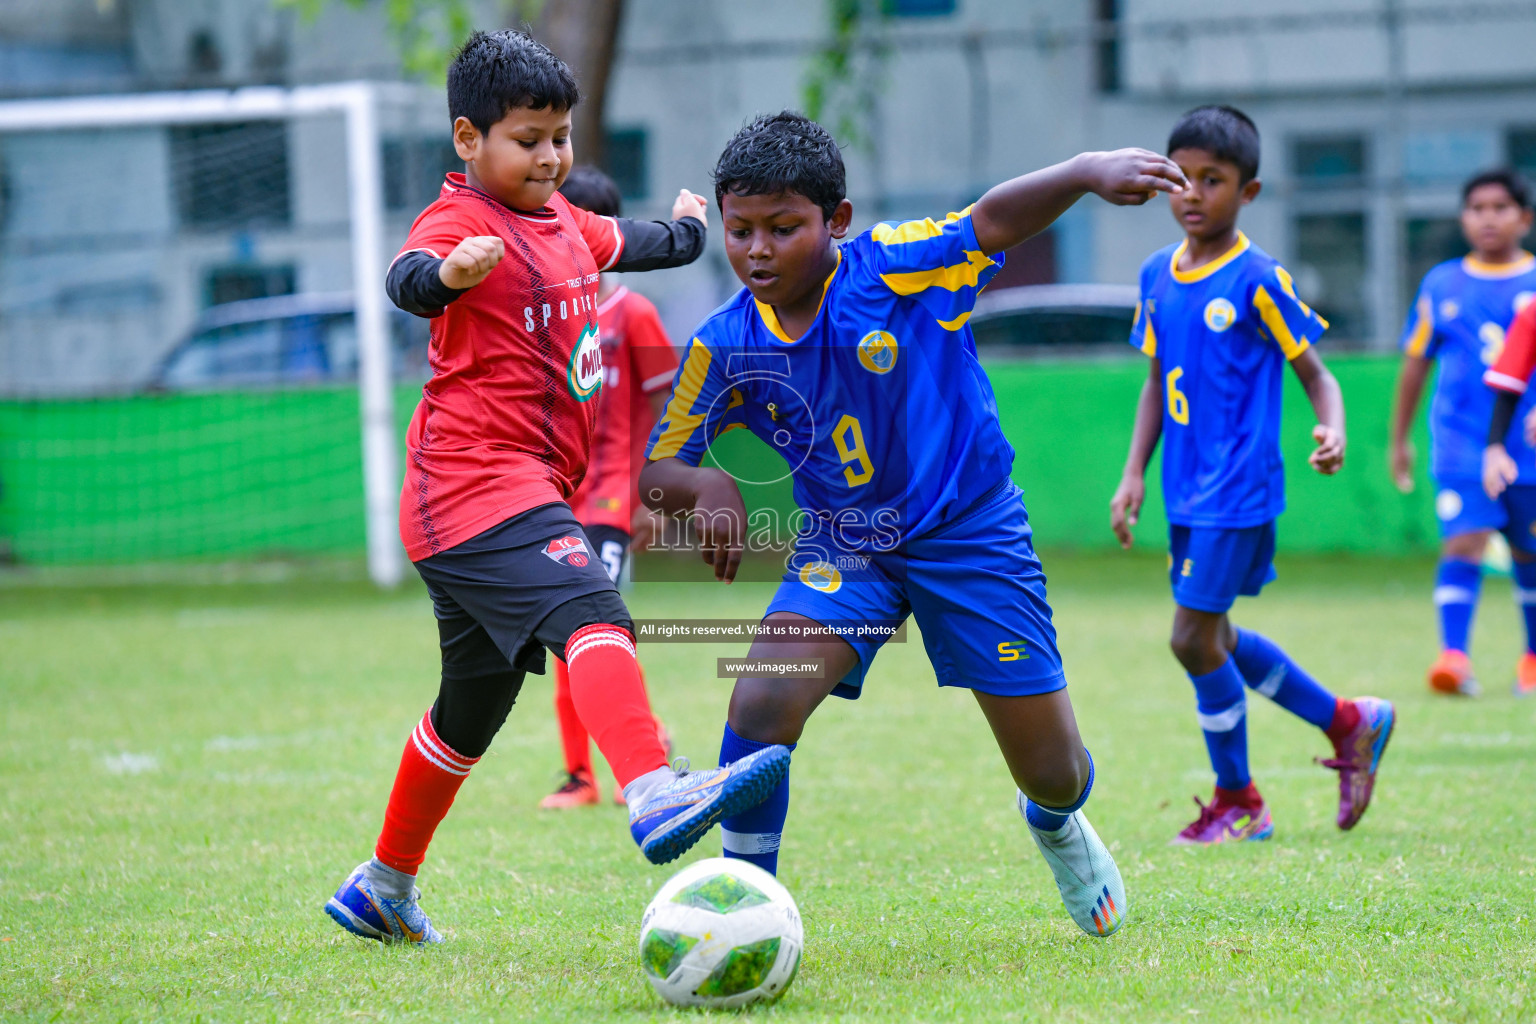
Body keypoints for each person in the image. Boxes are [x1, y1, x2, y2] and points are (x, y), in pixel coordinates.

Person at [641, 110, 1191, 938]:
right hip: (847, 548)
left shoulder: (891, 270)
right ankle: (740, 910)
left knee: (1054, 772)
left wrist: (1084, 170)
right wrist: (704, 487)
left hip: (970, 533)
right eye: (741, 229)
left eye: (784, 228)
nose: (758, 250)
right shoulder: (724, 346)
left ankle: (1055, 823)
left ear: (839, 223)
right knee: (759, 704)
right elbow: (658, 470)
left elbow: (992, 220)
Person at [323, 31, 790, 947]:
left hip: (499, 496)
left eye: (560, 137)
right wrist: (443, 278)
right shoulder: (460, 223)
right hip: (474, 487)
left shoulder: (565, 221)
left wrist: (693, 228)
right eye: (526, 138)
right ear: (468, 139)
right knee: (595, 612)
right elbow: (407, 274)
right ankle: (653, 789)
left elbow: (638, 241)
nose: (548, 156)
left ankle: (382, 886)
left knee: (470, 711)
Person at [1110, 105, 1394, 845]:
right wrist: (1133, 474)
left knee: (1190, 638)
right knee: (1215, 635)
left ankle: (1240, 799)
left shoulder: (1259, 277)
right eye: (1183, 178)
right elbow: (1153, 384)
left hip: (1238, 488)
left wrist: (1330, 426)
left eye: (1214, 179)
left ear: (1250, 192)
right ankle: (1349, 722)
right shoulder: (1154, 276)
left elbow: (1317, 375)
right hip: (1185, 490)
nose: (1193, 194)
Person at [541, 166, 680, 808]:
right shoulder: (546, 317)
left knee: (590, 630)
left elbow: (673, 409)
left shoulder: (634, 314)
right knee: (576, 636)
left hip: (611, 502)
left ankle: (603, 773)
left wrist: (655, 496)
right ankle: (626, 753)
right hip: (550, 501)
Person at [1392, 169, 1536, 697]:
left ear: (1524, 218)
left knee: (1529, 551)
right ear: (1463, 218)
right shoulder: (1442, 284)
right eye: (1477, 207)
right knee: (1465, 540)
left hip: (1528, 445)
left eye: (1500, 207)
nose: (1488, 217)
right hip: (1461, 442)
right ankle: (1453, 657)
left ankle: (1532, 660)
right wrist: (1400, 438)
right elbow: (1415, 363)